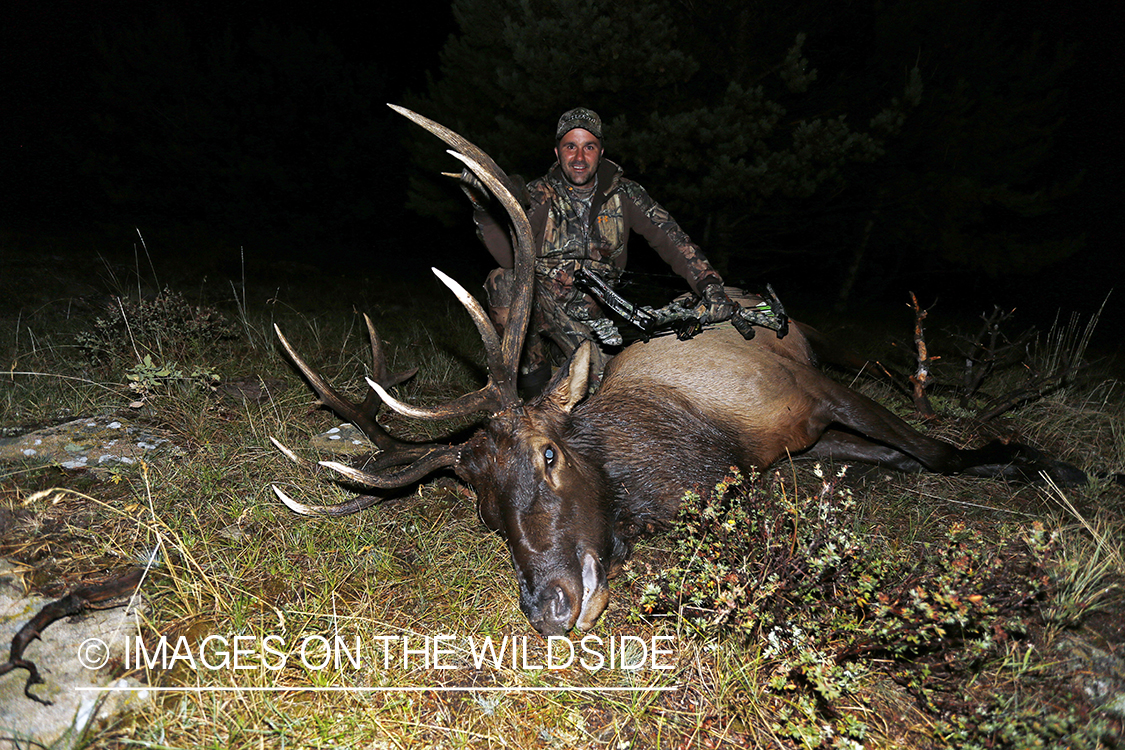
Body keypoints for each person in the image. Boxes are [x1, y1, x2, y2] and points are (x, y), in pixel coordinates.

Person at [461, 107, 736, 391]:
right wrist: (481, 208)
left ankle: (567, 358)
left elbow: (674, 241)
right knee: (503, 280)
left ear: (601, 152)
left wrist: (710, 285)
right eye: (570, 147)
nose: (579, 158)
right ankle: (533, 380)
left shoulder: (627, 194)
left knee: (604, 391)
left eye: (588, 147)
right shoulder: (538, 195)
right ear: (557, 153)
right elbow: (510, 257)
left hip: (595, 316)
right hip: (542, 304)